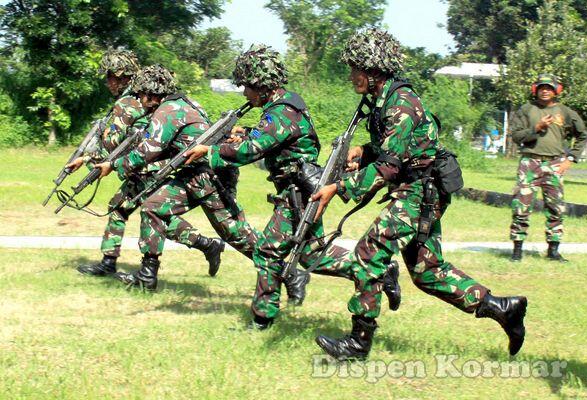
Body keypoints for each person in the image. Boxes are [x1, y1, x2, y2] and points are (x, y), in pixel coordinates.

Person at [308, 28, 527, 360]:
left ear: (373, 69)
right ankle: (502, 308)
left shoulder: (402, 103)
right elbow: (397, 148)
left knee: (368, 254)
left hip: (419, 192)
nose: (351, 75)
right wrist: (363, 152)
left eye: (356, 68)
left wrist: (339, 187)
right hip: (418, 188)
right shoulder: (384, 101)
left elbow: (391, 167)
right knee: (428, 272)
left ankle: (357, 343)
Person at [184, 44, 401, 329]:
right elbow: (268, 138)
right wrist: (245, 133)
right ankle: (380, 270)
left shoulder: (283, 110)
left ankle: (262, 319)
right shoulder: (282, 106)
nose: (245, 93)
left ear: (262, 85)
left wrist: (210, 152)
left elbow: (252, 150)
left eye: (247, 87)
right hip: (298, 189)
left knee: (268, 251)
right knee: (311, 254)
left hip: (298, 191)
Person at [94, 65, 258, 290]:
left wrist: (114, 165)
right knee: (153, 207)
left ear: (153, 93)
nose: (140, 99)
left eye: (142, 94)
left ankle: (289, 274)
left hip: (209, 178)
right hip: (193, 175)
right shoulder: (185, 103)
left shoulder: (168, 111)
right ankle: (146, 276)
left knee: (237, 234)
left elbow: (148, 150)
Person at [66, 49, 220, 277]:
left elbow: (114, 143)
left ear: (121, 76)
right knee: (123, 208)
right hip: (152, 163)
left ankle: (200, 246)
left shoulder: (128, 102)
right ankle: (111, 262)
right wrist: (88, 158)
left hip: (149, 166)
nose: (107, 82)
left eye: (110, 76)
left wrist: (93, 158)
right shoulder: (148, 97)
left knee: (152, 214)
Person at [509, 73, 587, 262]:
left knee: (556, 208)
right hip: (530, 163)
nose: (545, 91)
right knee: (521, 206)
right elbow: (516, 136)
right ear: (535, 89)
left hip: (554, 164)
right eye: (542, 87)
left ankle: (553, 250)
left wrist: (570, 159)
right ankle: (517, 250)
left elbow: (582, 135)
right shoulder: (526, 110)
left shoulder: (566, 112)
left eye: (549, 88)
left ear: (556, 91)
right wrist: (536, 128)